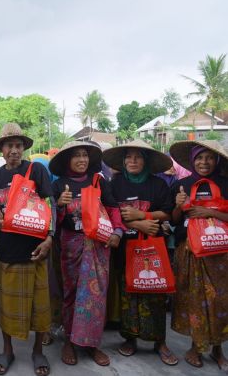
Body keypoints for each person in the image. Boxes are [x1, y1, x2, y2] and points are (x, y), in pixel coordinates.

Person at [102, 139, 178, 365]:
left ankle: (159, 341)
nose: (132, 161)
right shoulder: (114, 184)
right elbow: (109, 214)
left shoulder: (159, 185)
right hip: (125, 249)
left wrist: (143, 217)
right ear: (123, 162)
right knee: (129, 294)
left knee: (156, 292)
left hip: (153, 248)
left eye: (137, 157)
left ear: (146, 161)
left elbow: (167, 213)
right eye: (128, 157)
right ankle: (130, 339)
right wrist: (138, 225)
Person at [49, 141, 123, 367]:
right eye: (76, 156)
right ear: (67, 161)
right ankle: (70, 341)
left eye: (84, 155)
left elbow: (112, 208)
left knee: (96, 294)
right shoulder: (60, 184)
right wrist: (60, 206)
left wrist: (118, 232)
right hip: (71, 244)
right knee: (71, 292)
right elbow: (52, 218)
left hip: (99, 244)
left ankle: (92, 343)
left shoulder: (99, 181)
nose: (82, 160)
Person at [0, 123, 54, 375]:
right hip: (8, 250)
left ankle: (38, 351)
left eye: (18, 146)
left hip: (36, 249)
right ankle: (7, 351)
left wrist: (49, 238)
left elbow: (50, 205)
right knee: (8, 306)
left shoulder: (35, 169)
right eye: (9, 146)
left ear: (23, 148)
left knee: (40, 306)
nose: (14, 150)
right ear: (2, 150)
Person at [169, 140, 228, 371]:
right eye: (199, 158)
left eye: (209, 158)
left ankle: (217, 349)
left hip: (219, 251)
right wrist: (177, 205)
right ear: (193, 161)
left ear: (217, 160)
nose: (204, 162)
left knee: (220, 299)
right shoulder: (181, 185)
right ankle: (196, 346)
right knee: (194, 299)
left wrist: (208, 212)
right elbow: (174, 220)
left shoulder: (225, 184)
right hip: (189, 249)